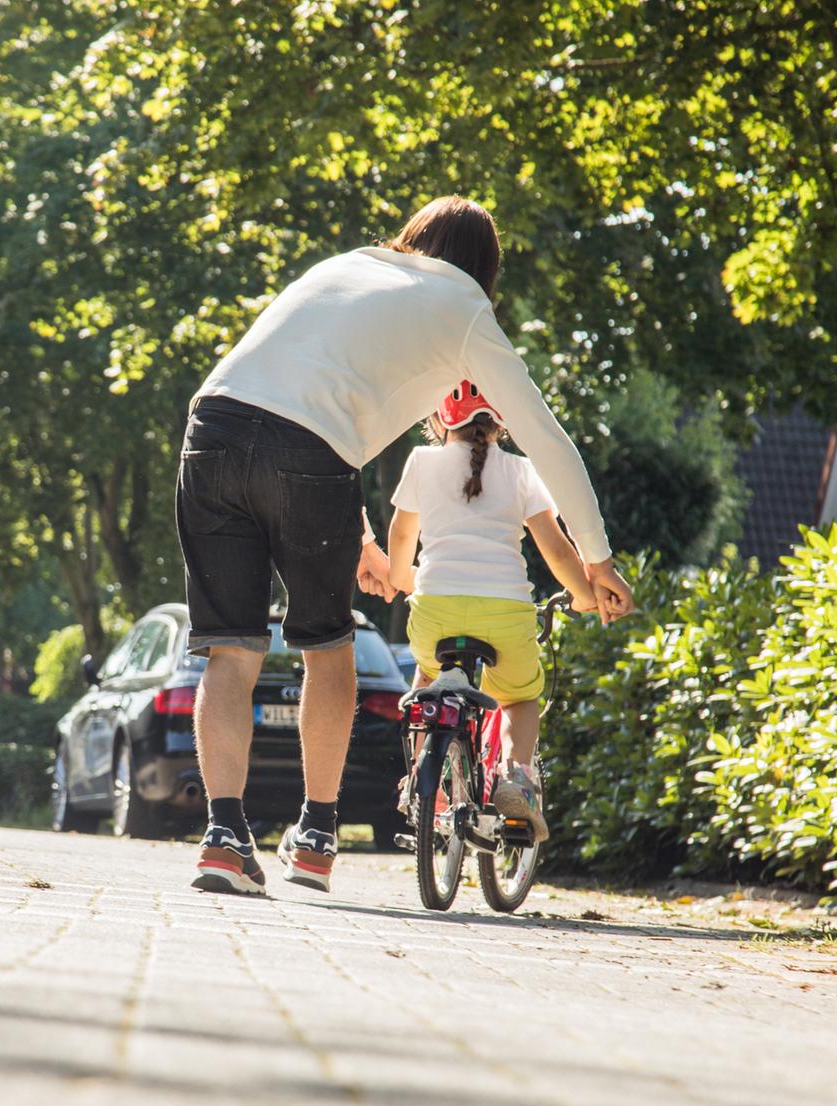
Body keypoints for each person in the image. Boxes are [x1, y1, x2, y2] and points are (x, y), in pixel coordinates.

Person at [176, 195, 633, 898]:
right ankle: (319, 836)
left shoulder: (351, 265)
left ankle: (224, 837)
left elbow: (302, 397)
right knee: (326, 646)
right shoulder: (466, 310)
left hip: (211, 429)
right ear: (486, 269)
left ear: (414, 238)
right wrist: (595, 556)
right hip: (308, 454)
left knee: (230, 650)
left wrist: (359, 531)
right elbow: (545, 437)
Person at [388, 384, 597, 840]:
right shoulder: (522, 471)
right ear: (502, 422)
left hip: (435, 612)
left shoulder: (420, 462)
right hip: (505, 613)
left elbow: (402, 537)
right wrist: (584, 595)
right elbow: (557, 551)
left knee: (427, 677)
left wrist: (402, 578)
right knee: (519, 697)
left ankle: (422, 783)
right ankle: (515, 778)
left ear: (439, 421)